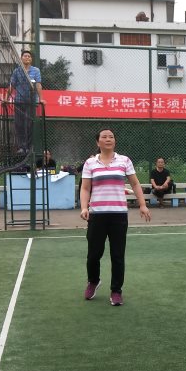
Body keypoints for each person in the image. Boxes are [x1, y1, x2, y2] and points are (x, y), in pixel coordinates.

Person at [79, 129, 151, 306]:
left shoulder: (124, 160)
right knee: (93, 254)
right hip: (97, 215)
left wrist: (142, 204)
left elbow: (135, 183)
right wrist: (84, 207)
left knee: (117, 255)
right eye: (104, 137)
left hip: (118, 215)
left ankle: (116, 291)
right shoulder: (90, 163)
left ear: (115, 141)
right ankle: (93, 281)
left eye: (111, 137)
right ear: (98, 142)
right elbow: (85, 188)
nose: (108, 139)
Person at [5, 50, 45, 155]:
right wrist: (6, 98)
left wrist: (41, 99)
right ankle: (21, 147)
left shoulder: (36, 71)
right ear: (21, 58)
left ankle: (28, 147)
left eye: (29, 56)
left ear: (31, 59)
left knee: (28, 125)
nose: (27, 57)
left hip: (31, 102)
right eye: (25, 56)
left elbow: (38, 85)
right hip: (18, 102)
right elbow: (12, 85)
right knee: (19, 125)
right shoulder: (17, 71)